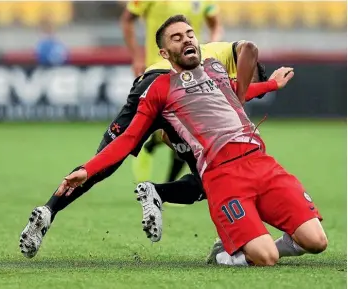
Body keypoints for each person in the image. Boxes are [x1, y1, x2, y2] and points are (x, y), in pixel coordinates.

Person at [54, 15, 327, 266]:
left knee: (317, 242)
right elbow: (128, 139)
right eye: (177, 37)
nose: (186, 39)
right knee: (266, 258)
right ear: (164, 53)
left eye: (189, 34)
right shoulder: (159, 90)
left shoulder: (215, 68)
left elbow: (233, 91)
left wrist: (271, 85)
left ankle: (249, 244)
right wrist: (88, 169)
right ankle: (224, 255)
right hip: (222, 176)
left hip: (261, 164)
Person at [19, 42, 288, 258]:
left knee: (103, 165)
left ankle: (49, 210)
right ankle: (160, 193)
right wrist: (267, 86)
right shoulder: (225, 56)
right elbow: (249, 50)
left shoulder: (209, 70)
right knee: (212, 176)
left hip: (149, 89)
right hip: (169, 91)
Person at [121, 0, 223, 185]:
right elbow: (127, 20)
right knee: (167, 128)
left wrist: (210, 49)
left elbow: (215, 23)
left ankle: (170, 186)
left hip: (191, 70)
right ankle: (149, 147)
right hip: (158, 68)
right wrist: (136, 57)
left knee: (188, 130)